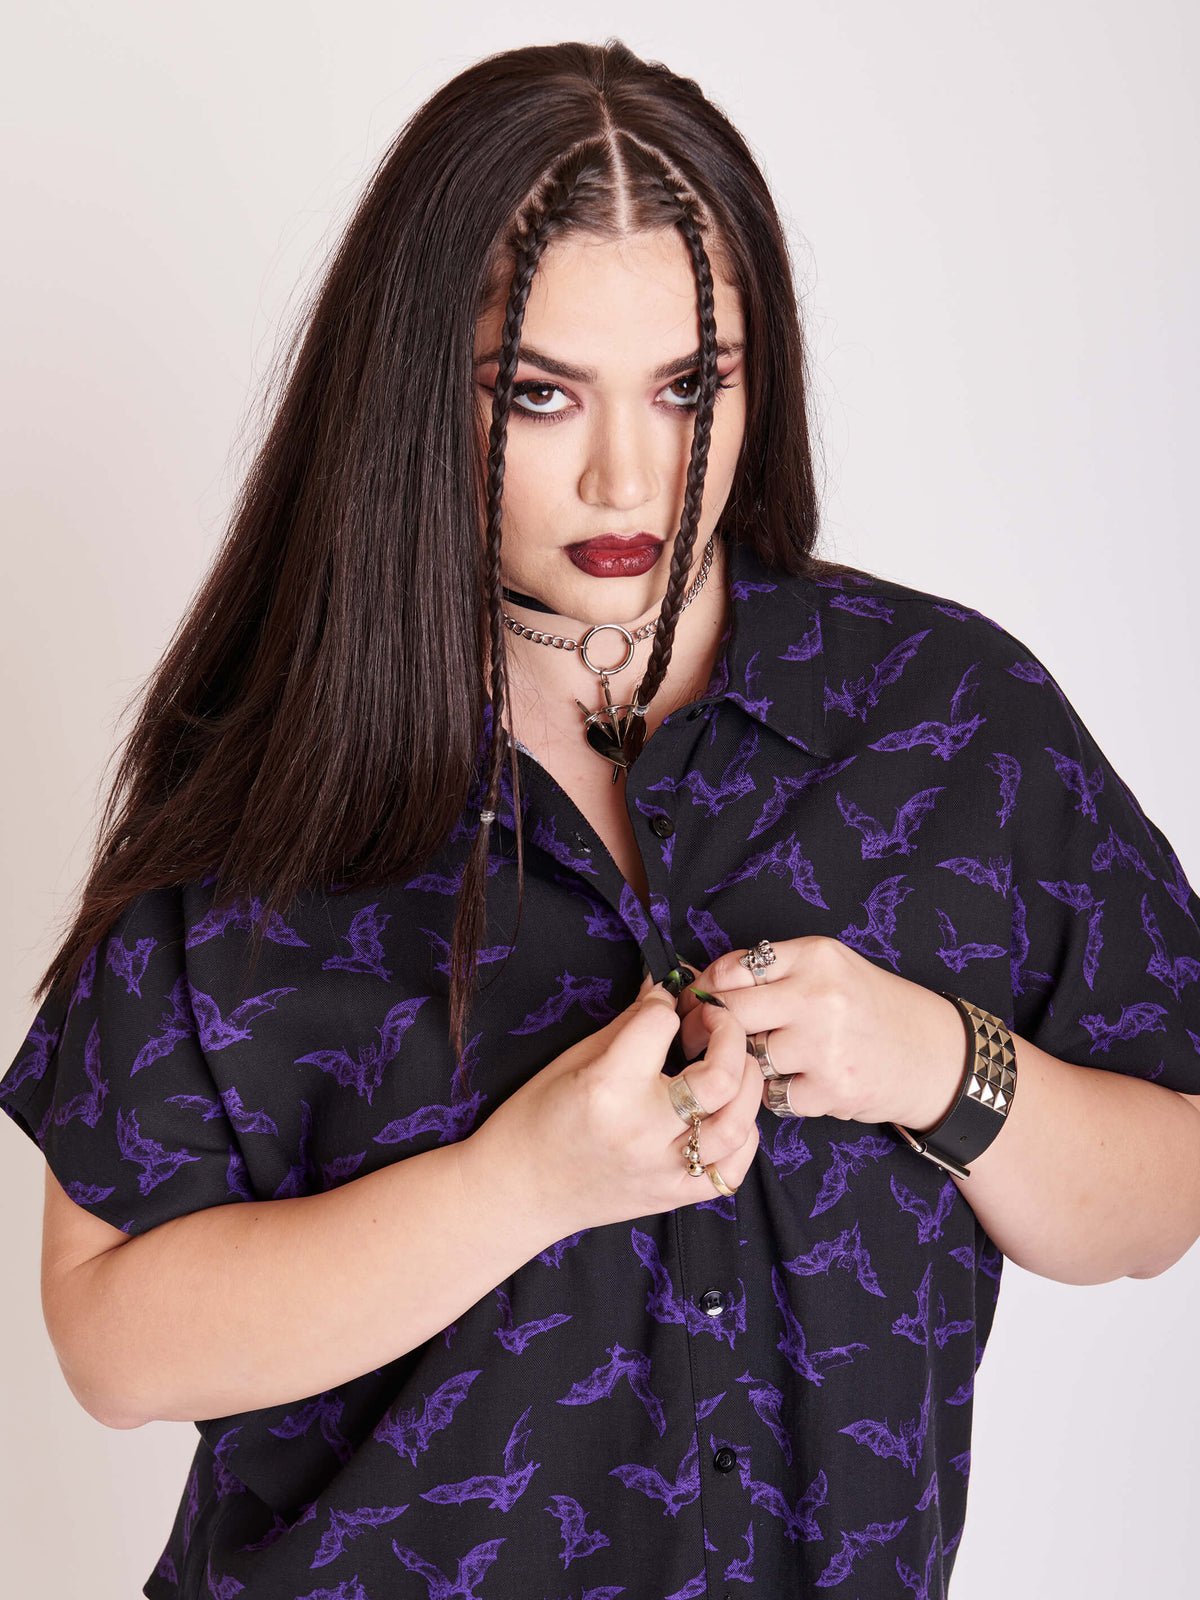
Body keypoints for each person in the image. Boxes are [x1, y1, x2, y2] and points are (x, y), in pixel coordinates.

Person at [4, 36, 1200, 1600]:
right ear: (417, 389)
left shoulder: (949, 720)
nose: (630, 478)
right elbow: (113, 1345)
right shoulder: (276, 768)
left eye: (690, 386)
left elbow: (1162, 1196)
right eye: (540, 395)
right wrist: (522, 1185)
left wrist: (935, 1063)